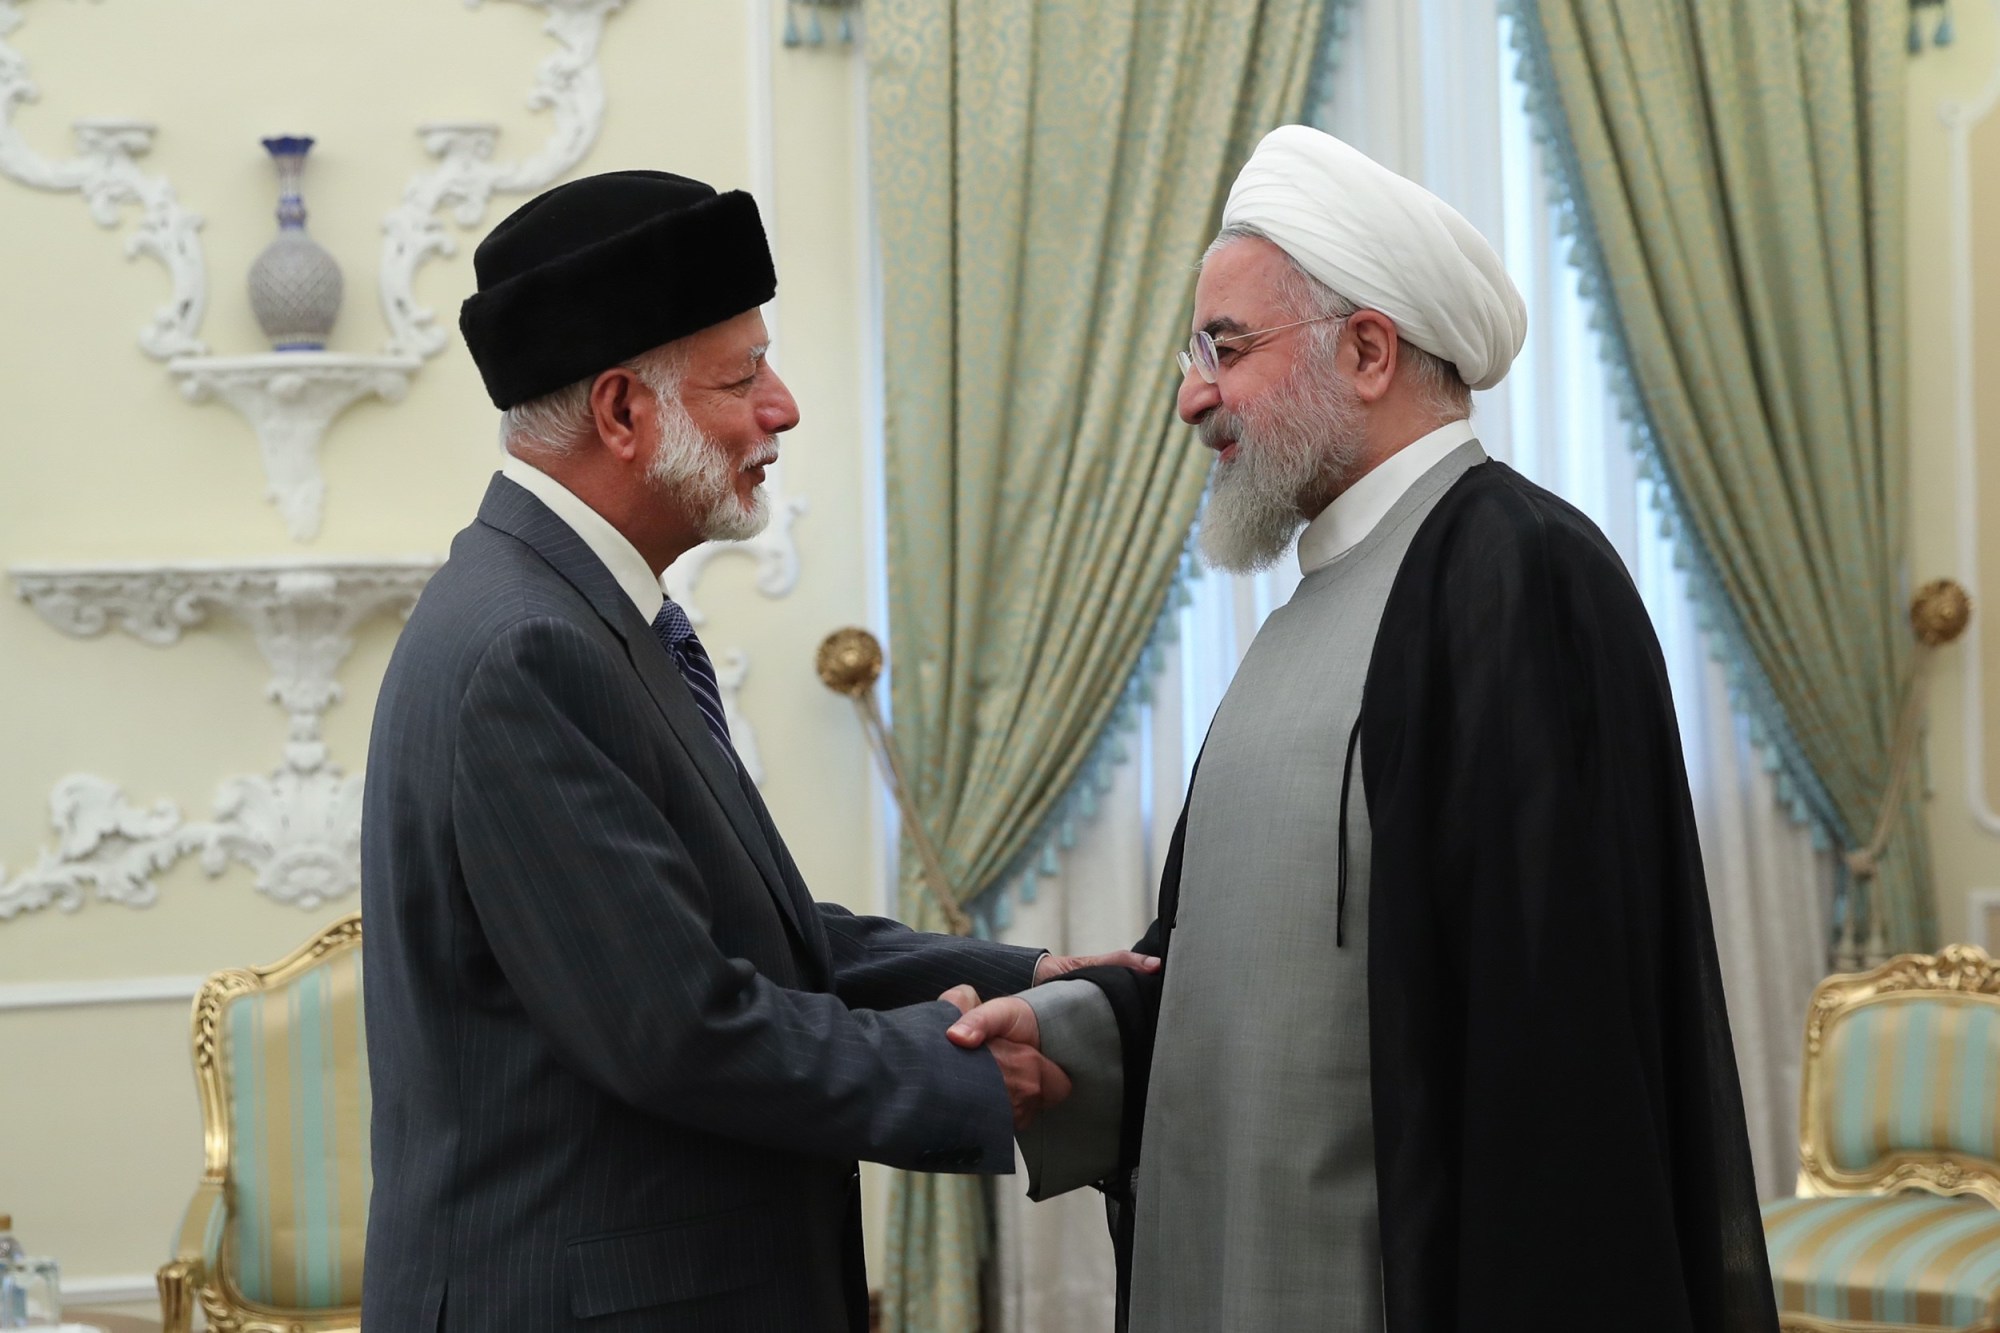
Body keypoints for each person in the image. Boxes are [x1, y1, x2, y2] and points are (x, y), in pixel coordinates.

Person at [944, 127, 1779, 1332]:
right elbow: (1252, 965)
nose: (1190, 395)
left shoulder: (1515, 575)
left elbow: (1557, 1073)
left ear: (1368, 350)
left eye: (1222, 349)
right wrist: (1073, 1029)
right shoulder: (1318, 599)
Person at [360, 169, 1147, 1333]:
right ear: (623, 412)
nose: (782, 408)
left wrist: (1027, 979)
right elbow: (679, 1026)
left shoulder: (574, 613)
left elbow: (746, 933)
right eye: (742, 378)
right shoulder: (528, 649)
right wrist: (975, 1061)